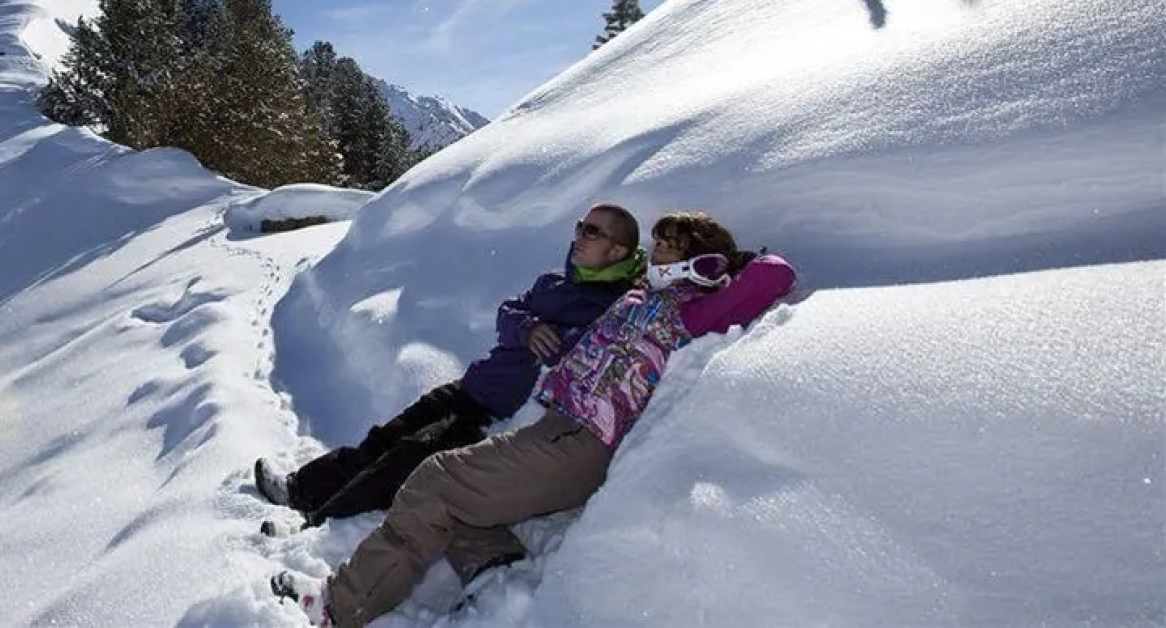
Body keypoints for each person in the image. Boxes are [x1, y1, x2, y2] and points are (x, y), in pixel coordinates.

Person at [273, 211, 797, 627]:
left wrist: (723, 265)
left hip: (581, 441)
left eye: (666, 248)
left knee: (437, 477)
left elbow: (776, 276)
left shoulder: (688, 310)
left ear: (693, 264)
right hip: (558, 429)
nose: (653, 255)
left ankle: (340, 607)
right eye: (655, 245)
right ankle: (494, 569)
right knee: (462, 484)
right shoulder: (642, 293)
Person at [254, 204, 646, 528]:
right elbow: (509, 310)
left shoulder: (615, 307)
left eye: (592, 232)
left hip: (499, 417)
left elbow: (584, 364)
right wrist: (527, 328)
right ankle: (300, 488)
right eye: (580, 226)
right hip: (472, 385)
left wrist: (554, 343)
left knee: (402, 462)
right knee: (386, 437)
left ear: (618, 250)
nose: (578, 236)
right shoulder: (554, 282)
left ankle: (318, 525)